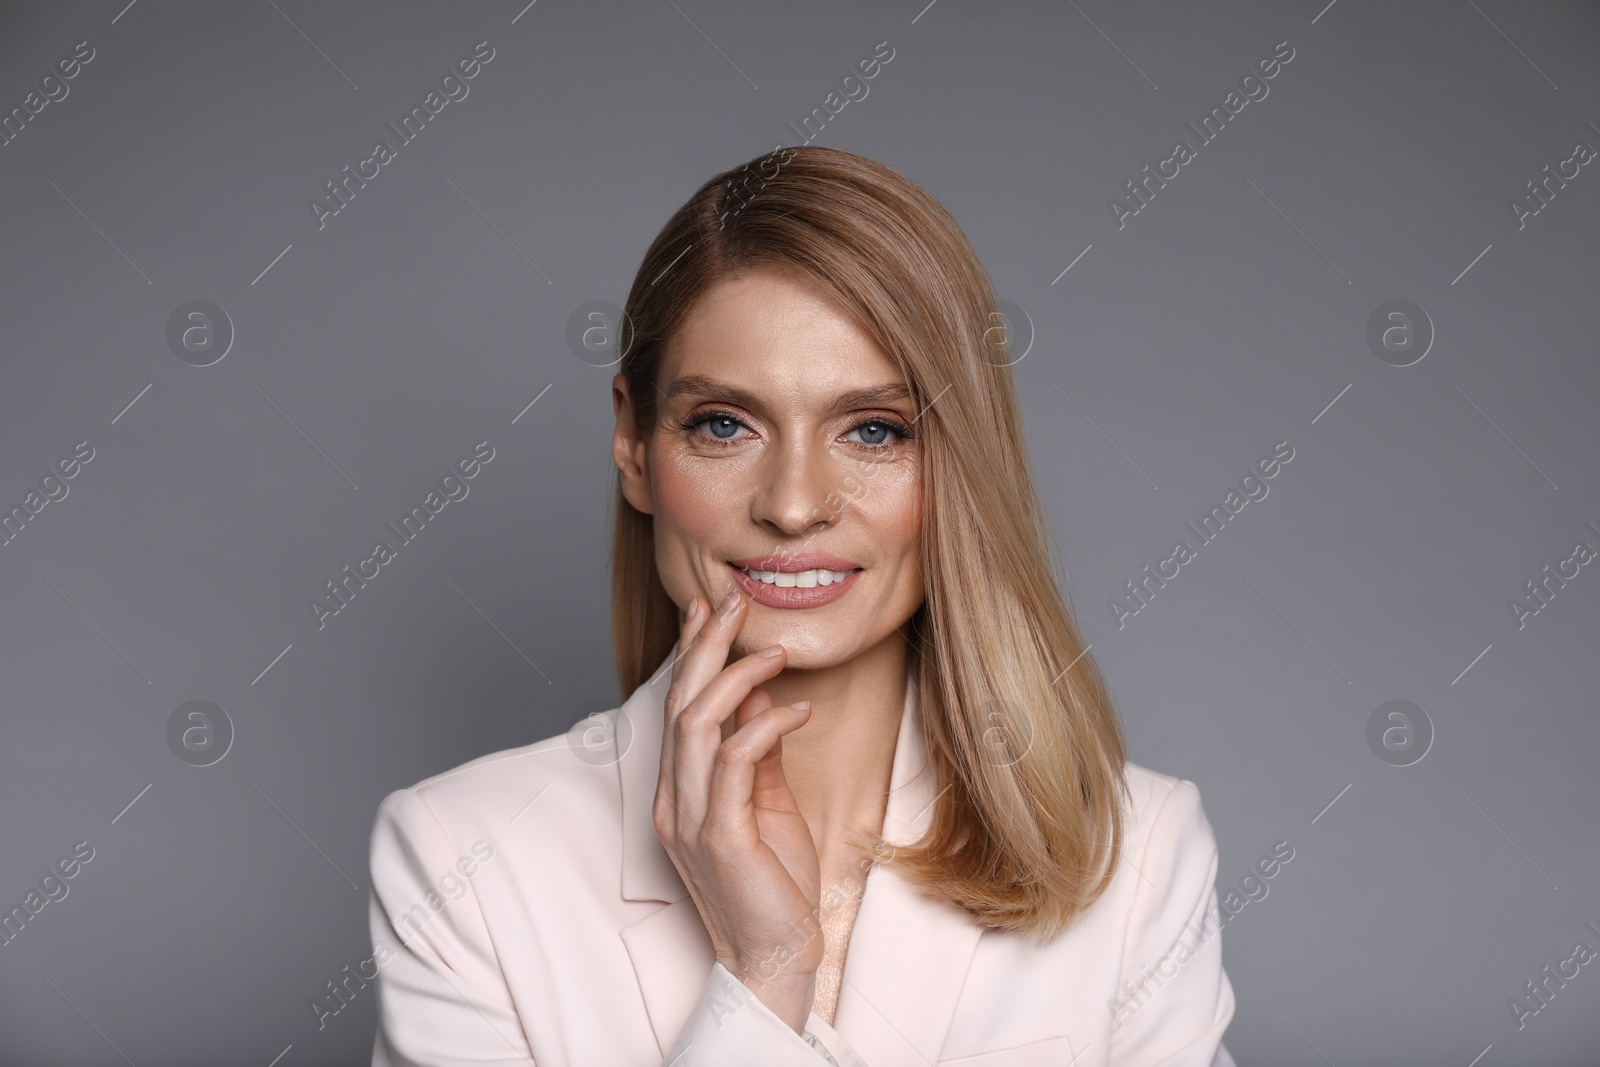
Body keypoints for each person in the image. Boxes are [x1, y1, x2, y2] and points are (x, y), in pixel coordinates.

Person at [365, 144, 1237, 1066]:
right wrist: (765, 971)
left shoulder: (1136, 852)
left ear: (961, 465)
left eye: (873, 430)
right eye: (724, 424)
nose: (790, 502)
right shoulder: (460, 860)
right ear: (632, 441)